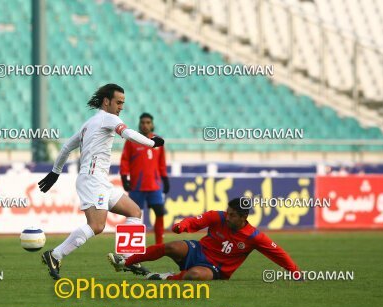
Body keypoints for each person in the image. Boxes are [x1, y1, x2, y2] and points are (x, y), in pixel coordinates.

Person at [37, 84, 164, 280]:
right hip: (92, 180)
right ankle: (55, 255)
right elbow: (129, 134)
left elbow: (65, 148)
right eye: (119, 102)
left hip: (99, 181)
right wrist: (152, 142)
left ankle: (127, 257)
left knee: (134, 211)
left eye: (123, 103)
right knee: (96, 226)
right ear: (107, 101)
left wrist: (55, 172)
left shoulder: (88, 124)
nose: (121, 106)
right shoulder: (109, 118)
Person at [108, 198, 300, 280]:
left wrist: (294, 271)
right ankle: (126, 261)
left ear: (243, 218)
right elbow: (196, 221)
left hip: (217, 268)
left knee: (195, 276)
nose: (228, 216)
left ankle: (167, 278)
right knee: (172, 246)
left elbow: (277, 253)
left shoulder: (254, 237)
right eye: (228, 212)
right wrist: (183, 226)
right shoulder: (219, 216)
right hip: (198, 250)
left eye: (233, 215)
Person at [120, 113, 169, 245]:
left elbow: (162, 163)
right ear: (139, 124)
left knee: (159, 212)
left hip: (154, 186)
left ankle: (159, 244)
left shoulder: (159, 141)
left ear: (152, 124)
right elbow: (125, 160)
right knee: (133, 214)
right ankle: (132, 245)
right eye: (143, 122)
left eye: (148, 122)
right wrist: (124, 177)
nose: (145, 125)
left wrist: (165, 179)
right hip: (137, 186)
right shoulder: (132, 141)